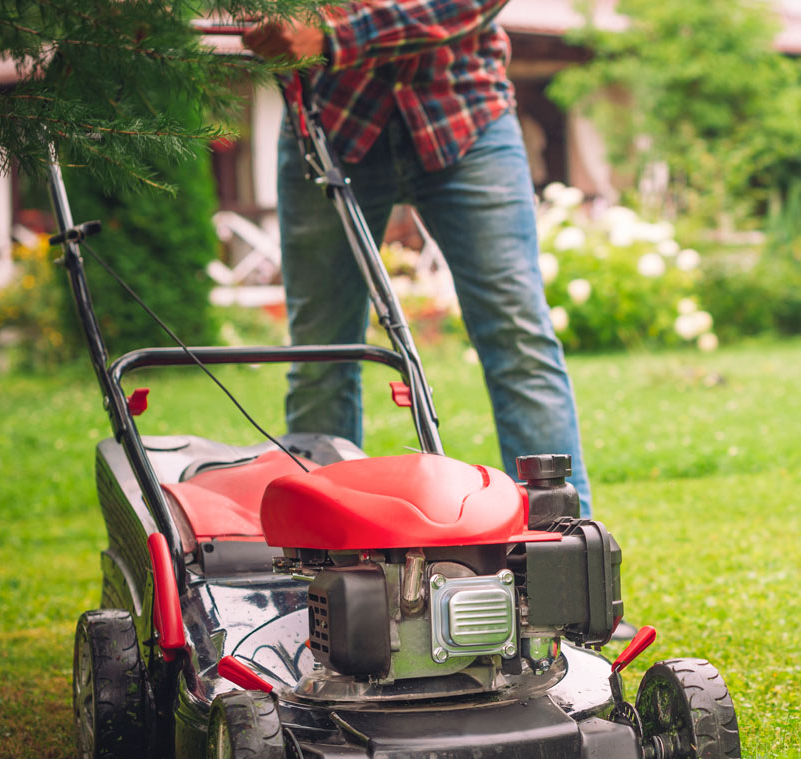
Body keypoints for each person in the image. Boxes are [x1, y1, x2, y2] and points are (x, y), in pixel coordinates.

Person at [243, 2, 594, 517]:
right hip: (332, 122)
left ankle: (567, 559)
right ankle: (320, 559)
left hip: (464, 113)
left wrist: (335, 37)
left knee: (518, 339)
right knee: (323, 355)